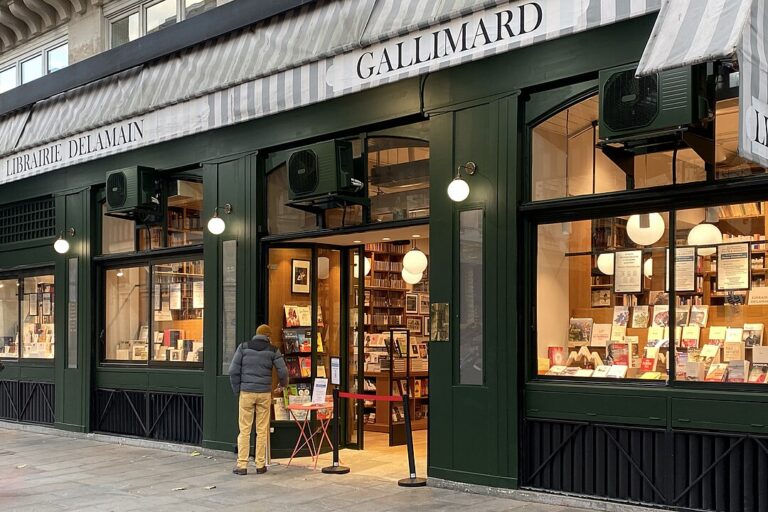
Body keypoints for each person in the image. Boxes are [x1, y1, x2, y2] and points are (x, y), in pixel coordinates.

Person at [229, 324, 288, 475]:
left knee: (244, 430)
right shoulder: (273, 350)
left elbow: (233, 370)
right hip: (264, 393)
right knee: (262, 430)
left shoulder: (243, 347)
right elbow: (283, 371)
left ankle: (242, 465)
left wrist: (238, 389)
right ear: (268, 336)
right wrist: (282, 385)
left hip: (246, 393)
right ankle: (260, 465)